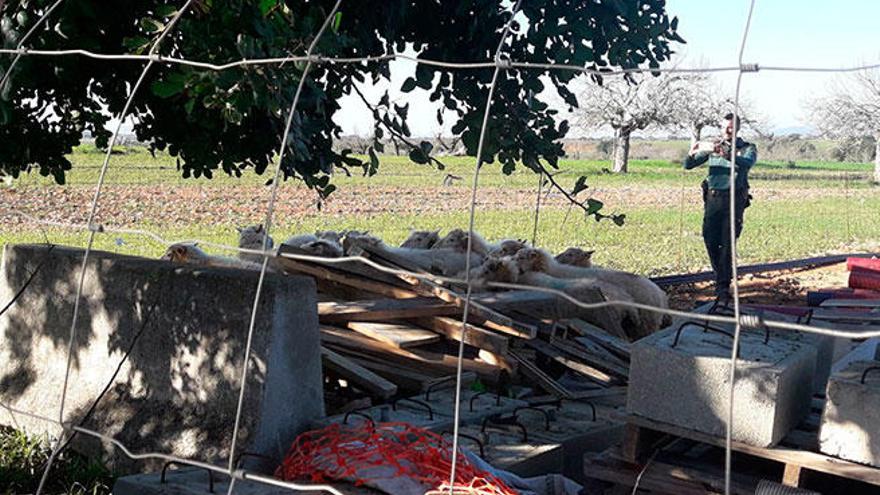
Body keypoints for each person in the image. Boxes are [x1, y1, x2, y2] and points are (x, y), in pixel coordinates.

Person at [684, 113, 757, 304]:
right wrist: (692, 152)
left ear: (738, 128)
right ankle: (720, 278)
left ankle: (722, 288)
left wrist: (729, 155)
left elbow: (747, 163)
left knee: (727, 242)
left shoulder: (746, 148)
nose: (727, 130)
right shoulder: (713, 147)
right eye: (724, 126)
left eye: (731, 127)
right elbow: (688, 165)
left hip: (734, 200)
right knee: (709, 238)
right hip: (713, 200)